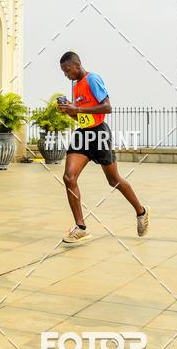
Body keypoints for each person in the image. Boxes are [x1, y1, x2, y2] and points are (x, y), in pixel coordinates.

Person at [57, 51, 149, 243]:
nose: (66, 75)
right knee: (68, 177)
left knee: (114, 180)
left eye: (67, 70)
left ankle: (141, 212)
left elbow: (107, 107)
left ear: (77, 64)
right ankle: (81, 227)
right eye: (63, 72)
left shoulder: (93, 79)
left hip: (99, 133)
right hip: (83, 134)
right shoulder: (77, 86)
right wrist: (68, 111)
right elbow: (80, 116)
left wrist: (78, 108)